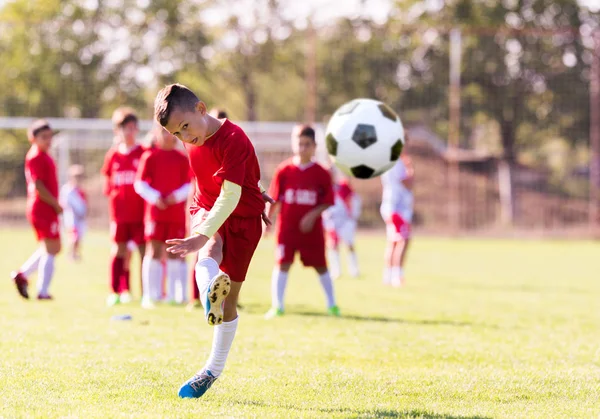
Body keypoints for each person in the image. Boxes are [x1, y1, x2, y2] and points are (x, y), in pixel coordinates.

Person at [153, 83, 272, 398]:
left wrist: (256, 193)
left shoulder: (235, 140)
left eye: (186, 128)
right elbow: (210, 182)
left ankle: (212, 370)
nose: (185, 138)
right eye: (177, 134)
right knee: (208, 249)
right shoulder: (191, 136)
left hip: (243, 219)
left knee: (229, 303)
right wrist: (202, 232)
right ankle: (208, 291)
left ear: (201, 109)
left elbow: (232, 194)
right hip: (206, 206)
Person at [264, 124, 339, 319]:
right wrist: (267, 221)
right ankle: (277, 306)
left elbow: (328, 201)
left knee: (321, 266)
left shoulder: (321, 173)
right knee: (282, 264)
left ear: (314, 146)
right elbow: (274, 199)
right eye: (299, 144)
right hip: (287, 230)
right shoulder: (284, 170)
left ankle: (332, 305)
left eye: (307, 144)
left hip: (311, 231)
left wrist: (312, 215)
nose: (302, 148)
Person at [135, 124, 192, 308]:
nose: (168, 136)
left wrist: (177, 196)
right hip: (155, 214)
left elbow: (189, 183)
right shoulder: (149, 156)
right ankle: (151, 295)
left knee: (176, 253)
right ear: (156, 133)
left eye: (171, 132)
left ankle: (177, 295)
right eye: (163, 132)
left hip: (175, 215)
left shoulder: (182, 158)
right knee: (154, 251)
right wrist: (155, 197)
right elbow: (140, 184)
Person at [11, 119, 62, 300]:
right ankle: (43, 291)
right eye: (43, 137)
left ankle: (23, 275)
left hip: (45, 208)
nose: (48, 140)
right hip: (42, 208)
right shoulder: (35, 157)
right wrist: (55, 204)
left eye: (50, 136)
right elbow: (38, 186)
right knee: (51, 248)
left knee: (52, 247)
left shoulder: (44, 155)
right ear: (33, 138)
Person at [101, 107, 146, 306]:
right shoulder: (113, 156)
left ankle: (147, 293)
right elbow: (108, 185)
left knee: (144, 253)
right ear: (117, 130)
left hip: (141, 215)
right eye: (125, 128)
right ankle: (117, 291)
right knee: (118, 251)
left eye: (132, 127)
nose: (129, 132)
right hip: (119, 216)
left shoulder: (143, 153)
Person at [187, 108, 229, 310]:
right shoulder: (196, 144)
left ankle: (218, 298)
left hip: (228, 209)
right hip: (205, 208)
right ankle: (200, 297)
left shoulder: (231, 145)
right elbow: (193, 180)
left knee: (223, 253)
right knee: (207, 248)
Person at [380, 151, 414, 287]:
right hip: (396, 209)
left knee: (393, 242)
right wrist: (410, 169)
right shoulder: (398, 163)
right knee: (403, 240)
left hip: (390, 206)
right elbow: (407, 183)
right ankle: (397, 276)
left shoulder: (388, 161)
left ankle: (388, 276)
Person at [323, 175, 361, 279]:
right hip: (332, 221)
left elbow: (354, 198)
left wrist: (354, 214)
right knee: (333, 245)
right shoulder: (324, 188)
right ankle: (336, 270)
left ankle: (354, 269)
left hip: (345, 221)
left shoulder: (343, 186)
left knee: (349, 244)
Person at [60, 164, 88, 261]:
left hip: (80, 218)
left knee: (79, 237)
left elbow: (84, 204)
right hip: (71, 218)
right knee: (74, 236)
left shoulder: (81, 190)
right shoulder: (67, 190)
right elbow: (64, 203)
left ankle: (75, 253)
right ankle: (71, 253)